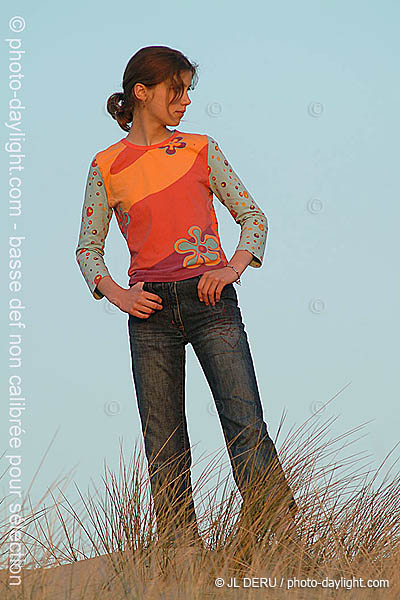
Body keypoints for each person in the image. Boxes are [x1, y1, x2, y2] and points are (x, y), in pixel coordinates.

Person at [75, 45, 297, 549]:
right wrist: (116, 295)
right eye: (176, 91)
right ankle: (179, 555)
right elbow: (87, 248)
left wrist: (233, 266)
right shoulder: (106, 165)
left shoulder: (201, 149)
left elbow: (253, 217)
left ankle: (280, 541)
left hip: (211, 301)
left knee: (245, 423)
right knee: (165, 444)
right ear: (142, 93)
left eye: (188, 91)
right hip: (148, 313)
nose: (185, 102)